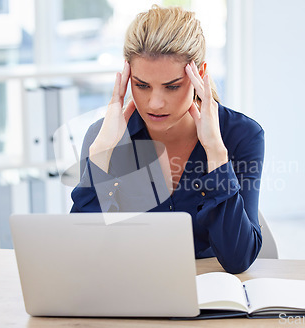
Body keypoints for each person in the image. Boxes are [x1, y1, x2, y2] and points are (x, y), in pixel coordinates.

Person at [70, 5, 264, 274]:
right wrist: (102, 153)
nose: (155, 103)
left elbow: (238, 258)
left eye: (172, 86)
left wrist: (216, 155)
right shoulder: (105, 137)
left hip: (212, 290)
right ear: (127, 78)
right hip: (133, 284)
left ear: (200, 74)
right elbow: (83, 250)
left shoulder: (241, 135)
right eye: (141, 85)